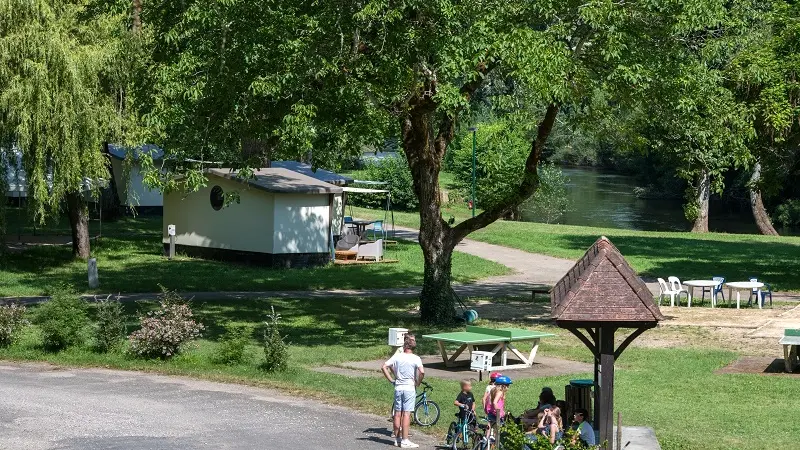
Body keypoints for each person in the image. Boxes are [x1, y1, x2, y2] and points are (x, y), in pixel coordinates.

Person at [381, 333, 424, 448]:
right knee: (406, 414)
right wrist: (418, 382)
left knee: (397, 413)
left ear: (404, 346)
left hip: (398, 387)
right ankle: (405, 440)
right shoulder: (416, 358)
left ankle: (397, 439)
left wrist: (391, 380)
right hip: (409, 387)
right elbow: (422, 372)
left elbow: (384, 366)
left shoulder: (398, 356)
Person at [485, 375, 512, 444]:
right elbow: (494, 402)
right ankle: (497, 444)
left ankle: (486, 442)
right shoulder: (500, 392)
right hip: (496, 414)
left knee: (490, 426)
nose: (508, 387)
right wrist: (499, 412)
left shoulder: (493, 390)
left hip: (491, 413)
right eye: (508, 385)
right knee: (500, 431)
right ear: (503, 386)